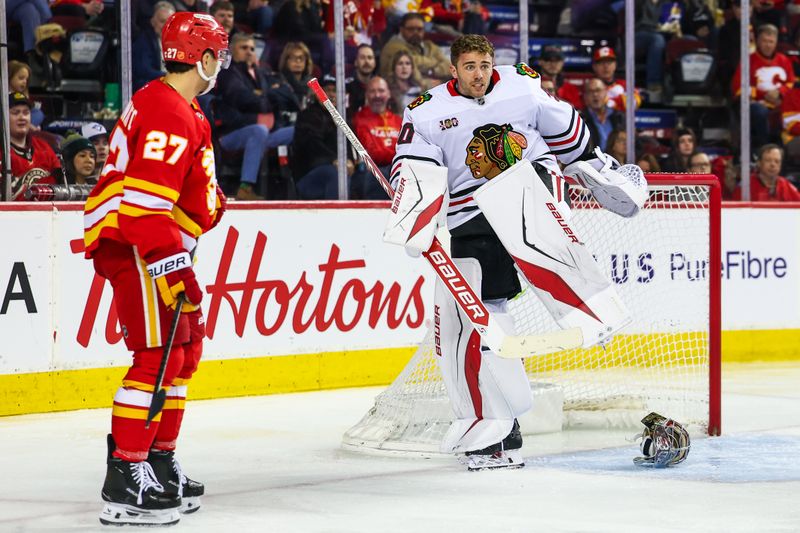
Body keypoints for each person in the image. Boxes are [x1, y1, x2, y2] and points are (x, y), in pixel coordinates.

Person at [387, 34, 646, 470]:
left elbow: (564, 128)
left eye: (484, 65)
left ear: (493, 65)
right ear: (454, 70)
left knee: (523, 204)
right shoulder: (426, 110)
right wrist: (413, 210)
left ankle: (588, 301)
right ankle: (496, 420)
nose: (479, 74)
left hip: (532, 185)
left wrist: (596, 168)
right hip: (470, 213)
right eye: (469, 66)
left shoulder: (520, 86)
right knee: (466, 319)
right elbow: (412, 164)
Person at [83, 12, 229, 526]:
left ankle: (159, 460)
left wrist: (208, 205)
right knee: (157, 356)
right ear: (204, 57)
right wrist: (175, 272)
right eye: (219, 53)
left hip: (157, 244)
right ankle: (126, 474)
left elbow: (181, 194)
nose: (222, 64)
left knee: (183, 352)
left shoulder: (178, 107)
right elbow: (143, 209)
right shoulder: (169, 110)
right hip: (138, 246)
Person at [215, 33, 296, 200]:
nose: (249, 52)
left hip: (266, 134)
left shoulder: (261, 72)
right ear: (231, 51)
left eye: (252, 48)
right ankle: (246, 187)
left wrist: (262, 94)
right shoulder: (228, 72)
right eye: (243, 48)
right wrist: (268, 97)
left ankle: (296, 188)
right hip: (233, 133)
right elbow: (243, 99)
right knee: (258, 131)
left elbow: (288, 97)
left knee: (298, 130)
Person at [732, 24, 795, 148]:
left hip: (779, 103)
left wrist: (780, 93)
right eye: (764, 41)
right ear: (757, 41)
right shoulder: (748, 60)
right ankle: (764, 148)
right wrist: (764, 95)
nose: (768, 45)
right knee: (760, 112)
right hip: (756, 104)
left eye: (771, 42)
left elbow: (791, 83)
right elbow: (738, 87)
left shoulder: (784, 60)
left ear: (776, 42)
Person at [292, 75, 353, 199]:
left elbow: (349, 146)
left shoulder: (344, 118)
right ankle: (337, 217)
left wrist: (350, 161)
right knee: (337, 175)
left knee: (367, 178)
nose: (331, 94)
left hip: (340, 168)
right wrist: (334, 160)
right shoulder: (307, 116)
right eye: (326, 90)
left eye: (335, 91)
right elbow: (312, 144)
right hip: (310, 172)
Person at [2, 92, 61, 200]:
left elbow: (61, 181)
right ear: (4, 117)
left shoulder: (44, 147)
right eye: (15, 113)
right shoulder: (2, 152)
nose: (22, 117)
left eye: (26, 112)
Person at [351, 76, 398, 199]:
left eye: (381, 91)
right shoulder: (359, 119)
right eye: (372, 91)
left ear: (388, 94)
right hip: (372, 171)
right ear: (366, 94)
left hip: (397, 169)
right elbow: (373, 153)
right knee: (379, 175)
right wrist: (396, 155)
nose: (377, 95)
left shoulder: (399, 121)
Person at [379, 12, 451, 87]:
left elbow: (449, 67)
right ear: (401, 29)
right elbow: (412, 61)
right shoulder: (392, 46)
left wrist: (431, 71)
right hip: (400, 93)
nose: (415, 32)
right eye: (411, 29)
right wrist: (435, 63)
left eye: (419, 29)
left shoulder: (430, 46)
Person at [728, 144, 800, 201]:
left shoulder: (785, 185)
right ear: (759, 163)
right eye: (768, 160)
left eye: (777, 161)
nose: (773, 165)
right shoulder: (746, 185)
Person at [132, 0, 175, 91]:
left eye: (170, 23)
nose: (166, 26)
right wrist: (170, 77)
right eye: (162, 21)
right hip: (153, 85)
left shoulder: (178, 43)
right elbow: (144, 71)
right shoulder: (144, 41)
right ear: (153, 22)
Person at [581, 78, 623, 153]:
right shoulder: (581, 120)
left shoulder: (619, 117)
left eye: (598, 90)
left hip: (616, 161)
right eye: (590, 91)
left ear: (605, 93)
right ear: (585, 96)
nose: (595, 94)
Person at [591, 46, 640, 111]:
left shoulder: (625, 84)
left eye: (609, 62)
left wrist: (610, 102)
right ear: (594, 67)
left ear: (615, 65)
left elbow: (635, 102)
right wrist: (621, 100)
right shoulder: (590, 86)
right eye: (601, 63)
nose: (606, 66)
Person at [534, 45, 582, 110]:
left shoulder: (571, 90)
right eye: (548, 60)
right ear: (540, 61)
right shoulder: (533, 86)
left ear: (563, 62)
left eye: (557, 60)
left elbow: (578, 113)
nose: (553, 64)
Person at [8, 60, 45, 127]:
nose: (24, 82)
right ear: (9, 77)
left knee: (38, 113)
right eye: (21, 78)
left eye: (26, 79)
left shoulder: (23, 96)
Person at [345, 44, 377, 119]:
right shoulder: (347, 87)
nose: (366, 61)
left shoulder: (380, 86)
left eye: (370, 58)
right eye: (362, 58)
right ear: (356, 62)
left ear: (375, 63)